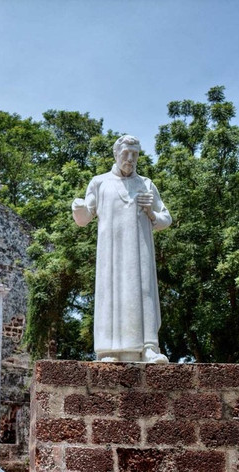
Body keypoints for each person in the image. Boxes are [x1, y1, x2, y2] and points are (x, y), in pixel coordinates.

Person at [72, 135, 171, 363]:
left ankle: (149, 348)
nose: (130, 159)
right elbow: (85, 217)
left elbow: (166, 218)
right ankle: (110, 351)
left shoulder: (146, 184)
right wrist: (78, 208)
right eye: (126, 154)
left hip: (140, 251)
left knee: (143, 292)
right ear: (116, 154)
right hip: (111, 253)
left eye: (135, 155)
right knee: (111, 295)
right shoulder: (99, 182)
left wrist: (151, 213)